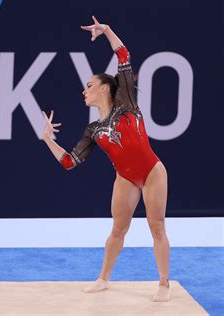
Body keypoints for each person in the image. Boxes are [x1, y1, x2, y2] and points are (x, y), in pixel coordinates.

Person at [42, 16, 171, 302]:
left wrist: (108, 31)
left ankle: (164, 283)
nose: (83, 91)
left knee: (156, 225)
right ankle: (103, 278)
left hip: (151, 171)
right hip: (125, 177)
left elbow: (123, 55)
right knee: (118, 229)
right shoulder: (93, 130)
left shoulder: (126, 101)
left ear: (103, 88)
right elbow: (70, 162)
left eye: (89, 85)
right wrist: (48, 140)